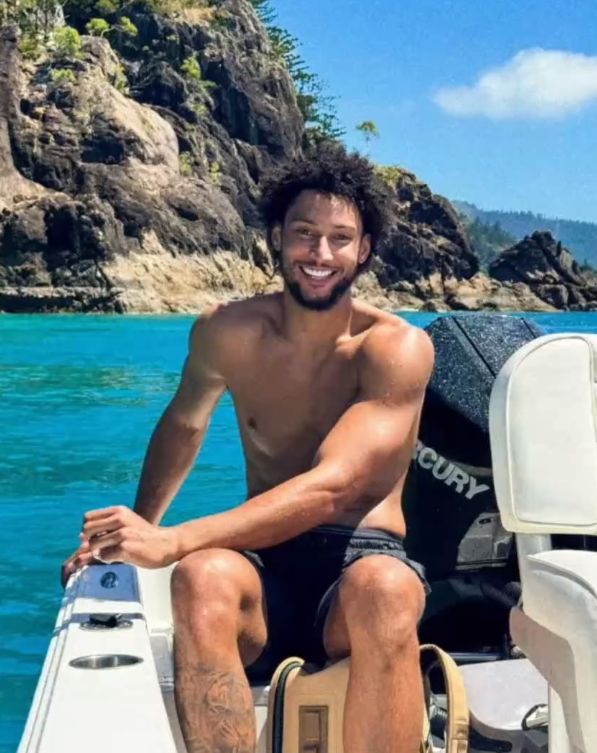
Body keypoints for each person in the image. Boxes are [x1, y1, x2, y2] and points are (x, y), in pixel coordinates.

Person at [62, 143, 434, 753]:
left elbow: (334, 486)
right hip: (267, 565)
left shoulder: (394, 348)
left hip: (360, 565)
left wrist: (174, 539)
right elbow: (185, 425)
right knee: (201, 576)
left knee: (385, 590)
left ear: (364, 250)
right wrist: (138, 533)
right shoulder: (227, 331)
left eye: (340, 239)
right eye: (305, 234)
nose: (320, 254)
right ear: (276, 237)